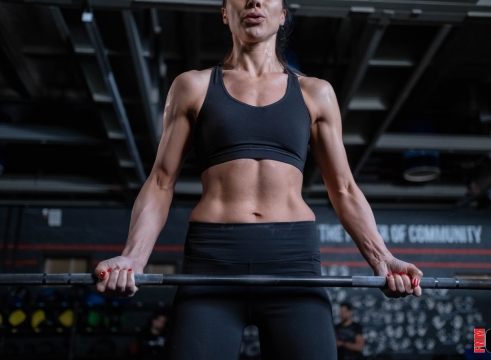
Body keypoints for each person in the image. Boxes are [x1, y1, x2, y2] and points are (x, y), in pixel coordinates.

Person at [94, 0, 423, 359]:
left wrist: (382, 259)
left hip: (293, 263)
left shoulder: (316, 93)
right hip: (213, 263)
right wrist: (134, 258)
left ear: (282, 15)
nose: (254, 2)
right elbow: (160, 182)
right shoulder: (192, 86)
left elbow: (343, 189)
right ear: (224, 13)